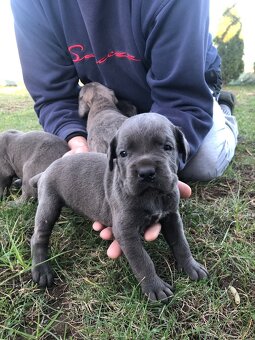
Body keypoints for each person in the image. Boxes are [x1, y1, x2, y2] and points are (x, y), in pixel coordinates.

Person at [11, 0, 238, 259]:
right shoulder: (31, 4)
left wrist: (165, 163)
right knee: (101, 156)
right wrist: (76, 140)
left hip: (184, 84)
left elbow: (180, 96)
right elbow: (53, 94)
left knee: (203, 161)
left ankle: (223, 111)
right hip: (116, 98)